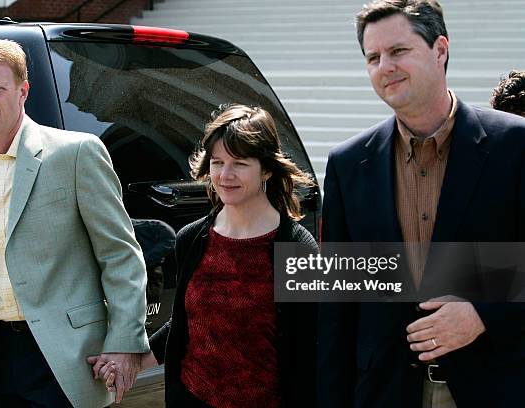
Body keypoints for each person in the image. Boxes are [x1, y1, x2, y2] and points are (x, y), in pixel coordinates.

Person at [318, 1, 525, 407]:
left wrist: (484, 313)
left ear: (441, 50)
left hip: (496, 386)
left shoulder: (515, 145)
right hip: (386, 392)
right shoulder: (347, 164)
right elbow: (337, 306)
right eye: (373, 58)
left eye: (398, 51)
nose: (384, 67)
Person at [0, 39, 149, 408]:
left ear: (23, 91)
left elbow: (121, 256)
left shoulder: (77, 153)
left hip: (68, 357)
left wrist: (125, 343)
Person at [100, 104, 319, 407]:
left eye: (239, 163)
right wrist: (131, 360)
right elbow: (186, 322)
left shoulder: (298, 247)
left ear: (267, 168)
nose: (225, 175)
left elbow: (312, 349)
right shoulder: (191, 238)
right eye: (217, 162)